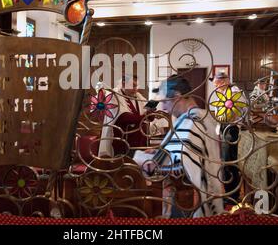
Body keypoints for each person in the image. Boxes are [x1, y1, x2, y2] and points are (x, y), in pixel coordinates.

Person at [136, 75, 224, 217]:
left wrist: (139, 158)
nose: (163, 107)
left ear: (177, 96)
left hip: (190, 200)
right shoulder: (202, 116)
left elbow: (176, 167)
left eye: (165, 101)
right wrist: (159, 151)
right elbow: (188, 153)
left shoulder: (190, 123)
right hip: (208, 190)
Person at [98, 74, 155, 157]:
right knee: (125, 168)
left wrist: (151, 112)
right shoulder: (114, 96)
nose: (136, 89)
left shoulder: (139, 97)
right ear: (124, 84)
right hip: (123, 142)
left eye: (137, 86)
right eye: (133, 86)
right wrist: (146, 115)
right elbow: (124, 117)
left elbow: (150, 118)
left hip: (140, 141)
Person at [212, 71, 241, 203]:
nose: (215, 87)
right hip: (224, 128)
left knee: (229, 162)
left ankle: (232, 195)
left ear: (223, 82)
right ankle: (229, 193)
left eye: (216, 84)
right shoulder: (224, 92)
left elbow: (230, 113)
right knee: (225, 162)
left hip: (231, 129)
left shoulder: (233, 92)